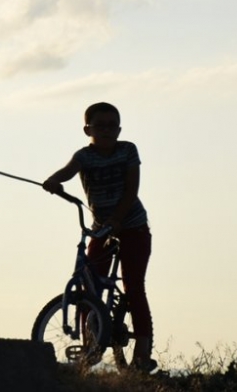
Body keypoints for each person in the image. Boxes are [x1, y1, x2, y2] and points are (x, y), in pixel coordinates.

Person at [42, 102, 154, 372]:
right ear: (87, 129)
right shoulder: (84, 156)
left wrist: (118, 219)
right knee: (88, 286)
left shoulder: (128, 150)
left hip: (133, 227)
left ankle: (142, 353)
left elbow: (131, 190)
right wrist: (53, 181)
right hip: (101, 230)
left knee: (133, 286)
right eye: (99, 125)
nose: (106, 130)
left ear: (119, 129)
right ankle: (90, 346)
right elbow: (67, 171)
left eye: (111, 125)